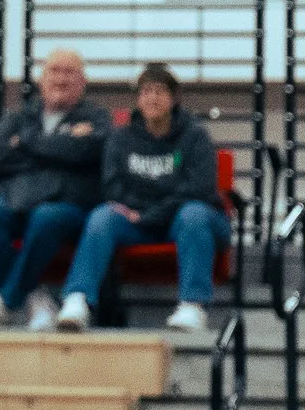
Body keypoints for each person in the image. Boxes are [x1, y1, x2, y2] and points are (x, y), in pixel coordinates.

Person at [56, 63, 228, 335]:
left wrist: (151, 212)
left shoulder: (196, 137)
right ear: (137, 99)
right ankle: (77, 300)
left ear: (174, 98)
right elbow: (112, 187)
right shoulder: (120, 138)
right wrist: (142, 211)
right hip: (137, 220)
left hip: (184, 219)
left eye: (160, 91)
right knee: (102, 216)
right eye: (146, 91)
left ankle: (192, 306)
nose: (153, 98)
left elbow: (199, 189)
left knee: (194, 213)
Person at [0, 49, 109, 331]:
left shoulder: (97, 118)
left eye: (69, 72)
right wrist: (59, 148)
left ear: (83, 82)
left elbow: (85, 153)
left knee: (47, 217)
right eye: (54, 71)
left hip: (68, 207)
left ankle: (5, 300)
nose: (60, 79)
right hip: (17, 202)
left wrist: (25, 144)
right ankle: (33, 297)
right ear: (40, 78)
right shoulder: (18, 116)